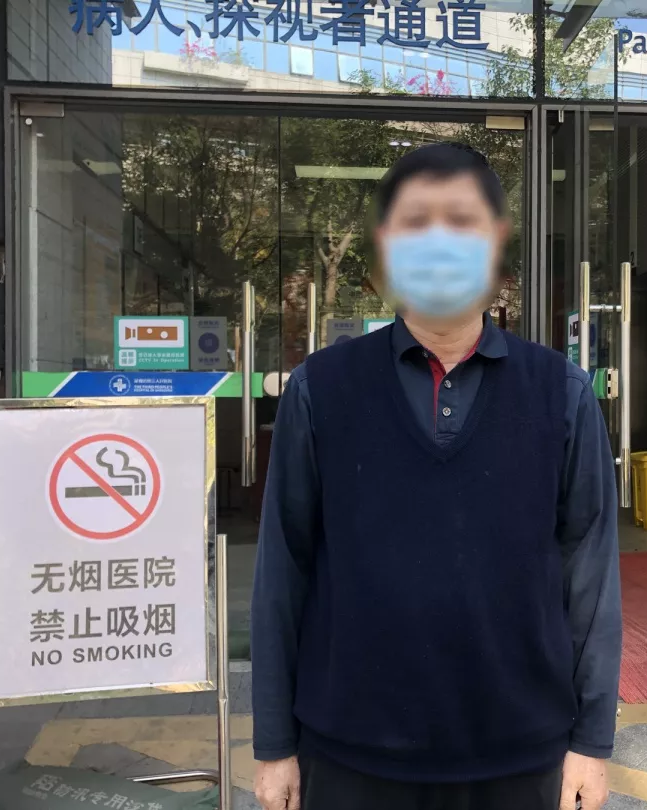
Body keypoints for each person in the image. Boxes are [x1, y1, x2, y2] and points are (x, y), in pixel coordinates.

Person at [251, 142, 622, 810]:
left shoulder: (560, 392)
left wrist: (592, 742)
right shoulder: (321, 389)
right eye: (417, 223)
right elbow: (283, 571)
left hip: (521, 755)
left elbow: (590, 579)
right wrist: (274, 744)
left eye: (462, 221)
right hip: (349, 754)